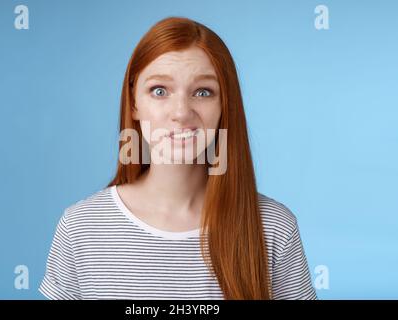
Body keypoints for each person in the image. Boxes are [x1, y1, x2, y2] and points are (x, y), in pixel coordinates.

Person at [39, 16, 317, 300]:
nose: (182, 112)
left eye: (203, 92)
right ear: (134, 102)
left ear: (224, 105)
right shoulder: (80, 227)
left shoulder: (274, 228)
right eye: (159, 91)